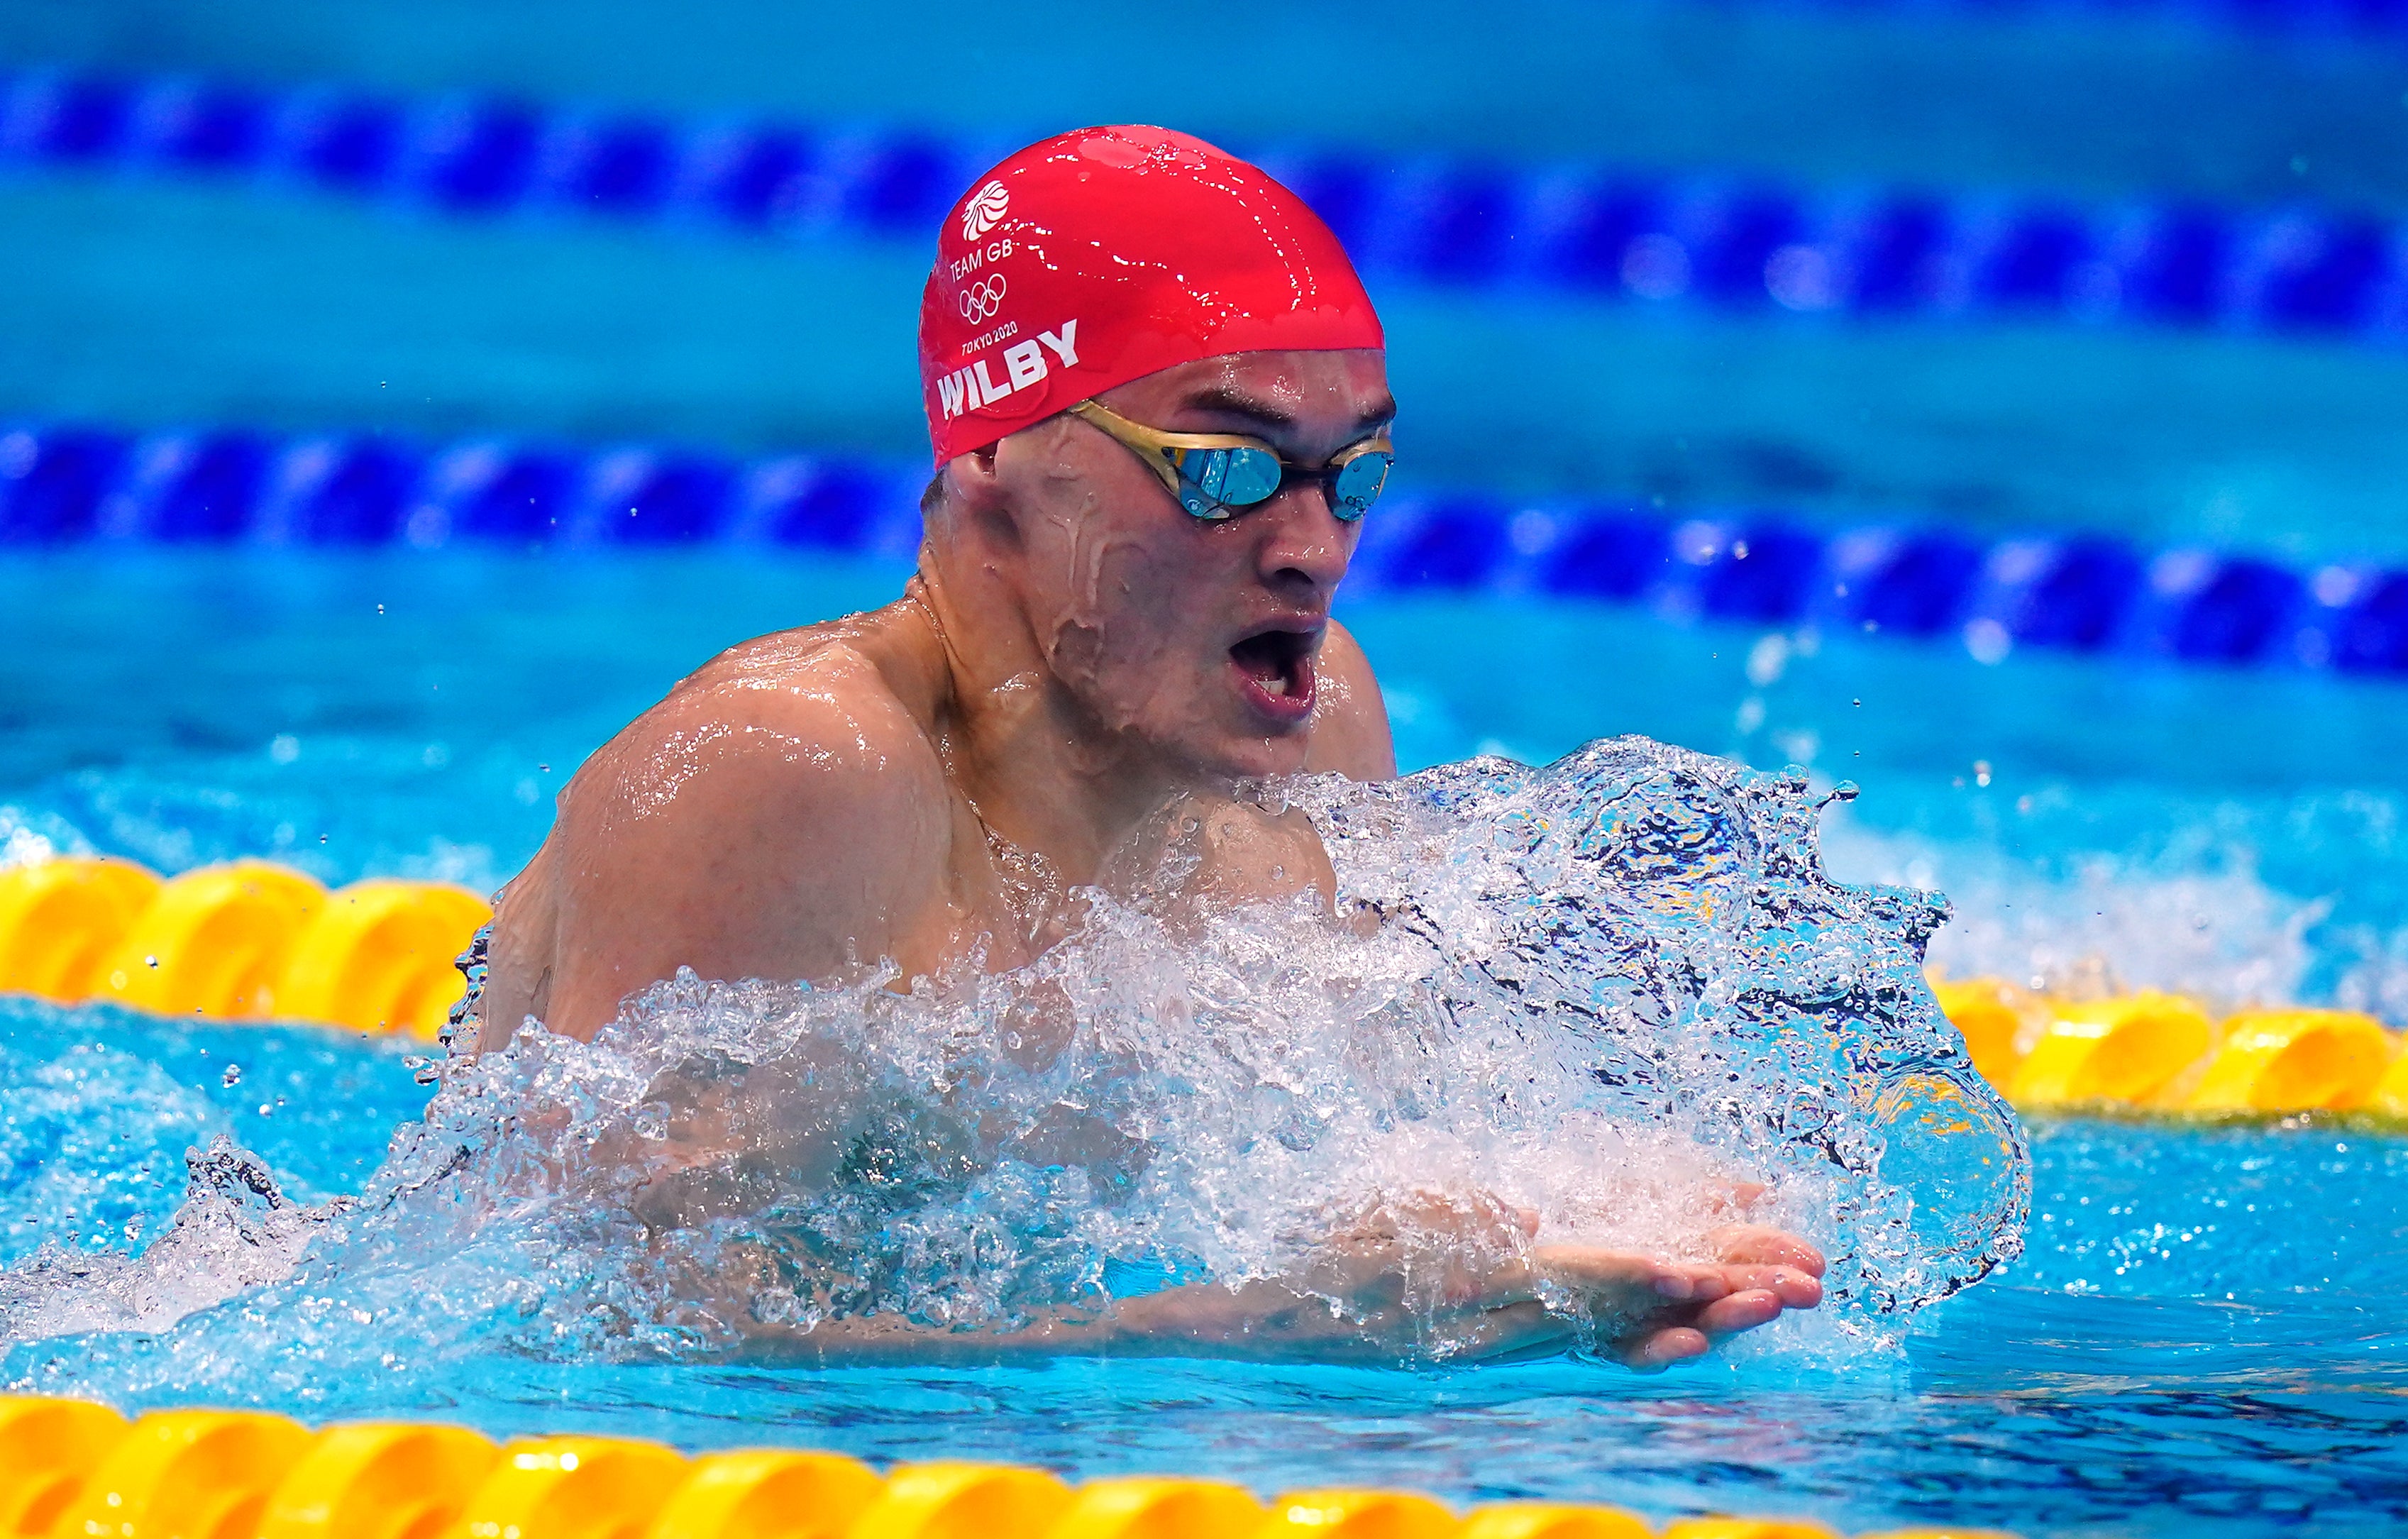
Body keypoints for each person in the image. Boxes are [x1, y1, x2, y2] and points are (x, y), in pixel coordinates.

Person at [473, 124, 1824, 1367]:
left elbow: (1349, 1154)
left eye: (1353, 472)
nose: (1313, 551)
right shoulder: (794, 770)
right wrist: (1253, 1331)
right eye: (1223, 469)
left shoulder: (1312, 723)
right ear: (998, 444)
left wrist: (1576, 1234)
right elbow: (631, 1339)